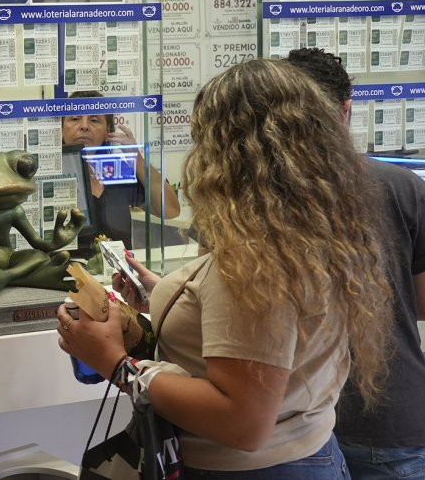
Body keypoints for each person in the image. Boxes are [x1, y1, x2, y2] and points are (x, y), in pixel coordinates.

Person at [57, 59, 391, 478]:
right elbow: (257, 335)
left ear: (229, 153)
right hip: (304, 456)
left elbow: (243, 422)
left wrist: (116, 364)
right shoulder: (306, 234)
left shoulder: (255, 262)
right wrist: (165, 294)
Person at [286, 47, 425, 480]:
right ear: (346, 110)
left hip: (296, 421)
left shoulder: (254, 201)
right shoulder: (402, 186)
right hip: (390, 415)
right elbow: (423, 304)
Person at [62, 89, 180, 248]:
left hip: (118, 270)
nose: (84, 126)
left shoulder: (115, 168)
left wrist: (136, 159)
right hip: (69, 271)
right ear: (61, 129)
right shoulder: (51, 174)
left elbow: (170, 210)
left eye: (94, 120)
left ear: (108, 130)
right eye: (75, 119)